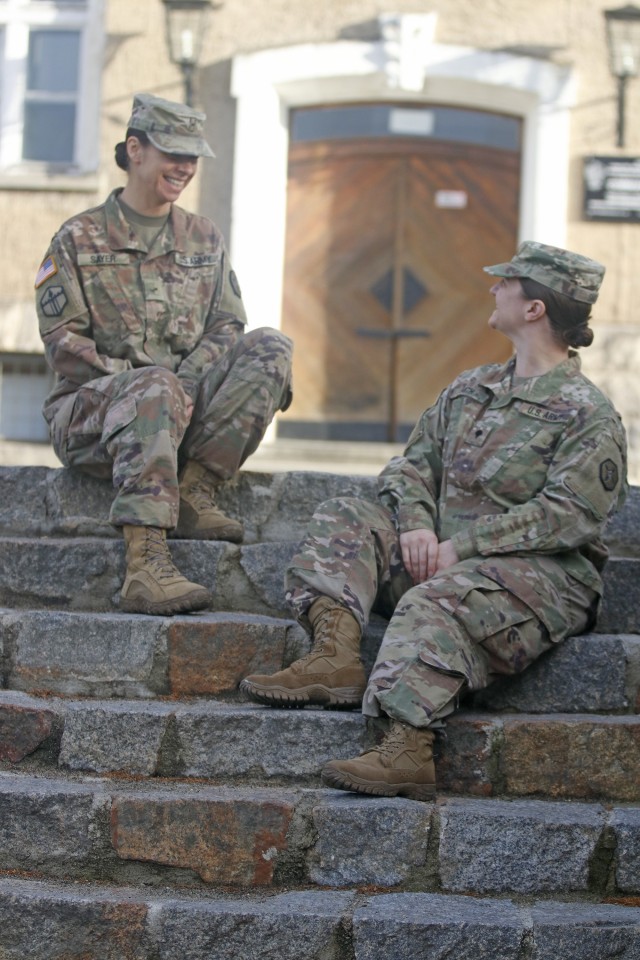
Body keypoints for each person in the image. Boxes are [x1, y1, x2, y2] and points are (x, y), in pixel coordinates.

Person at [241, 242, 627, 801]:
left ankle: (407, 746)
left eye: (506, 283)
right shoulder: (471, 389)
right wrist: (419, 526)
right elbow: (411, 466)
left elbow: (570, 516)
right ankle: (334, 657)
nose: (493, 289)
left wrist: (464, 547)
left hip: (540, 579)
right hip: (442, 555)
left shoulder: (588, 414)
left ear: (535, 309)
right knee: (348, 514)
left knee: (437, 599)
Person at [35, 93, 292, 617]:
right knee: (152, 384)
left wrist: (188, 385)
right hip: (93, 416)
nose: (186, 166)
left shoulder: (203, 237)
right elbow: (63, 342)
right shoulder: (78, 237)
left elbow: (226, 325)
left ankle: (195, 490)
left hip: (181, 413)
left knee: (270, 347)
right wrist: (153, 383)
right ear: (135, 149)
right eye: (174, 152)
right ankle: (145, 562)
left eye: (194, 156)